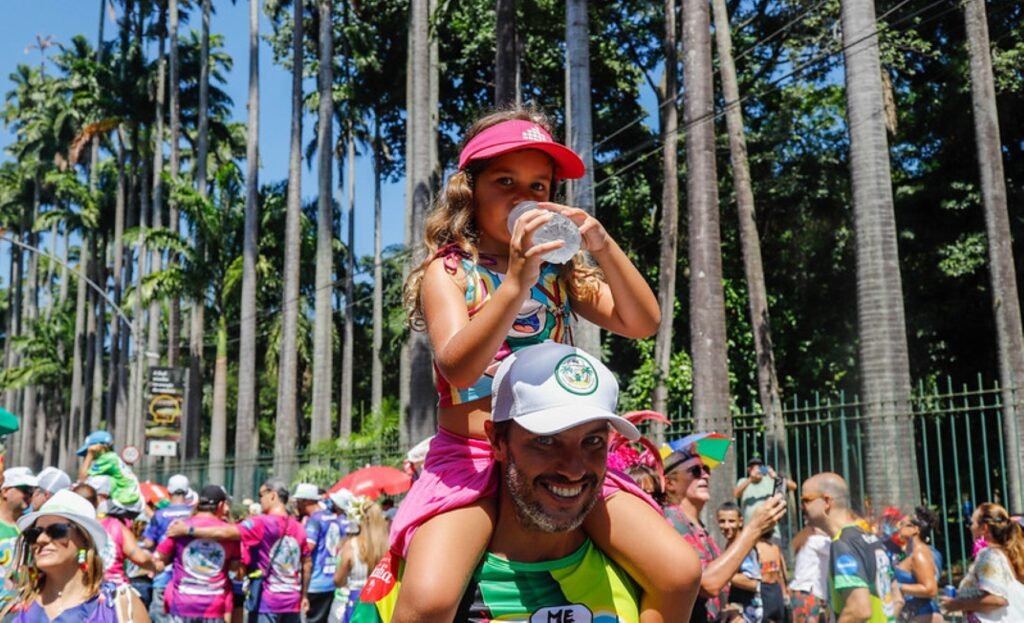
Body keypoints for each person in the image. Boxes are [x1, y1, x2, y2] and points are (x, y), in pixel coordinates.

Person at [394, 106, 691, 622]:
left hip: (558, 449)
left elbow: (641, 320)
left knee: (680, 573)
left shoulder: (559, 270)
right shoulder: (449, 271)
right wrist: (514, 282)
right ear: (470, 189)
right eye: (505, 181)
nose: (523, 198)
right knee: (429, 601)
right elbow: (458, 368)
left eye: (538, 186)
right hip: (471, 458)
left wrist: (600, 243)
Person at [352, 343, 701, 622]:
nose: (573, 468)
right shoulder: (411, 586)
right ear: (497, 441)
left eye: (592, 442)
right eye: (546, 440)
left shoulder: (646, 579)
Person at [663, 440, 786, 622]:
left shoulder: (697, 526)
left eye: (706, 469)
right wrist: (754, 528)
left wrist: (727, 612)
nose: (705, 475)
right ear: (671, 483)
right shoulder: (672, 520)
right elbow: (707, 584)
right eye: (695, 471)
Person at [167, 478, 312, 622]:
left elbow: (226, 533)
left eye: (261, 495)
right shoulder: (299, 527)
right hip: (292, 601)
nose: (260, 500)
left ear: (272, 495)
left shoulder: (261, 522)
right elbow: (307, 563)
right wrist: (304, 595)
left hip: (267, 601)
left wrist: (189, 530)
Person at [1, 489, 150, 621]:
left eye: (57, 531)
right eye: (35, 533)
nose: (41, 539)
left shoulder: (119, 605)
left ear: (85, 540)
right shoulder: (16, 609)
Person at [800, 472, 902, 623]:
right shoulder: (871, 538)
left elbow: (859, 610)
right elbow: (898, 599)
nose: (802, 507)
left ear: (827, 501)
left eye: (805, 500)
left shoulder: (842, 543)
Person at [152, 484, 241, 623]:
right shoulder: (228, 533)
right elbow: (234, 567)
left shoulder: (179, 528)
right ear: (221, 505)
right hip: (213, 605)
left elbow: (160, 556)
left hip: (183, 603)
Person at [940, 502, 1024, 622]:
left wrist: (958, 604)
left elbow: (997, 600)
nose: (970, 527)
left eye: (972, 523)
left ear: (984, 528)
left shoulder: (989, 555)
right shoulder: (1002, 554)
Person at [144, 474, 197, 622]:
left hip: (163, 576)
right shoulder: (193, 514)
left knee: (160, 616)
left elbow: (148, 542)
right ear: (187, 492)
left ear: (168, 491)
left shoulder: (159, 515)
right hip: (189, 577)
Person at [295, 483, 346, 623]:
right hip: (331, 580)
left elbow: (309, 547)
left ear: (306, 501)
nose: (296, 505)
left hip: (316, 582)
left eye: (298, 501)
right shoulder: (332, 517)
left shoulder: (314, 520)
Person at [331, 497, 388, 623]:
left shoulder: (352, 545)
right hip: (381, 603)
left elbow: (338, 580)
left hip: (357, 602)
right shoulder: (387, 547)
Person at [892, 507, 942, 622]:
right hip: (915, 616)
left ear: (915, 529)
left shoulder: (920, 553)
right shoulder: (911, 553)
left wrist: (899, 587)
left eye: (902, 524)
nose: (898, 527)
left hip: (924, 616)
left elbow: (930, 589)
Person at [77, 430, 143, 515]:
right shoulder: (113, 458)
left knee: (90, 512)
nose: (88, 453)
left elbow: (82, 479)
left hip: (124, 503)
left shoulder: (107, 459)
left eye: (89, 449)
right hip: (132, 502)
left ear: (99, 447)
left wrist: (89, 454)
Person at [0, 467, 36, 611]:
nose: (29, 495)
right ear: (5, 491)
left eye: (31, 491)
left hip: (20, 611)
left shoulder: (30, 528)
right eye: (24, 489)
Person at [734, 457, 795, 540]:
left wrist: (775, 476)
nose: (758, 470)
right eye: (754, 468)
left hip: (771, 531)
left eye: (760, 468)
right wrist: (750, 479)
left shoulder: (770, 480)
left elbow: (793, 486)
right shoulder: (743, 481)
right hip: (749, 532)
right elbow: (736, 493)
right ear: (749, 470)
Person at [788, 525, 830, 623]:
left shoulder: (806, 541)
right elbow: (834, 546)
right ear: (815, 528)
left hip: (800, 592)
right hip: (808, 592)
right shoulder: (815, 540)